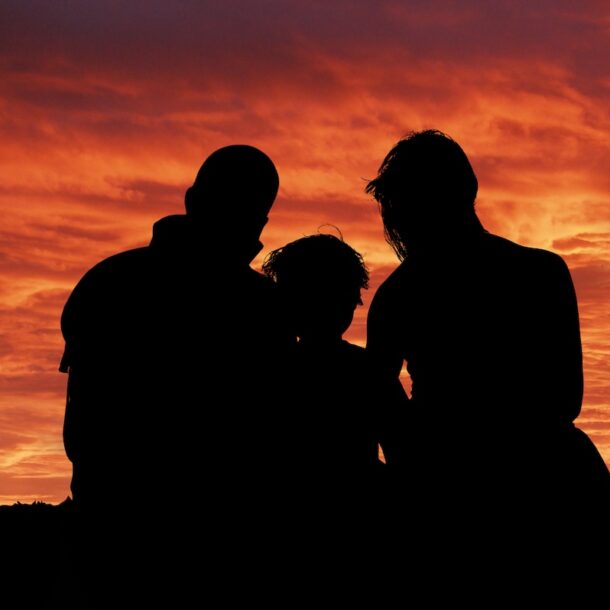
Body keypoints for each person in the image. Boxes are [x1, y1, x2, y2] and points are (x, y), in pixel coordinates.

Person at [60, 145, 294, 602]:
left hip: (111, 536)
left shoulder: (106, 281)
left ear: (190, 198)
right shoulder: (261, 307)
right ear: (261, 222)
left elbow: (83, 423)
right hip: (214, 550)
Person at [365, 130, 610, 525]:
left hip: (458, 484)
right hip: (548, 478)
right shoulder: (542, 272)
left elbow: (378, 403)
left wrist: (418, 464)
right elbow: (566, 398)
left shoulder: (399, 293)